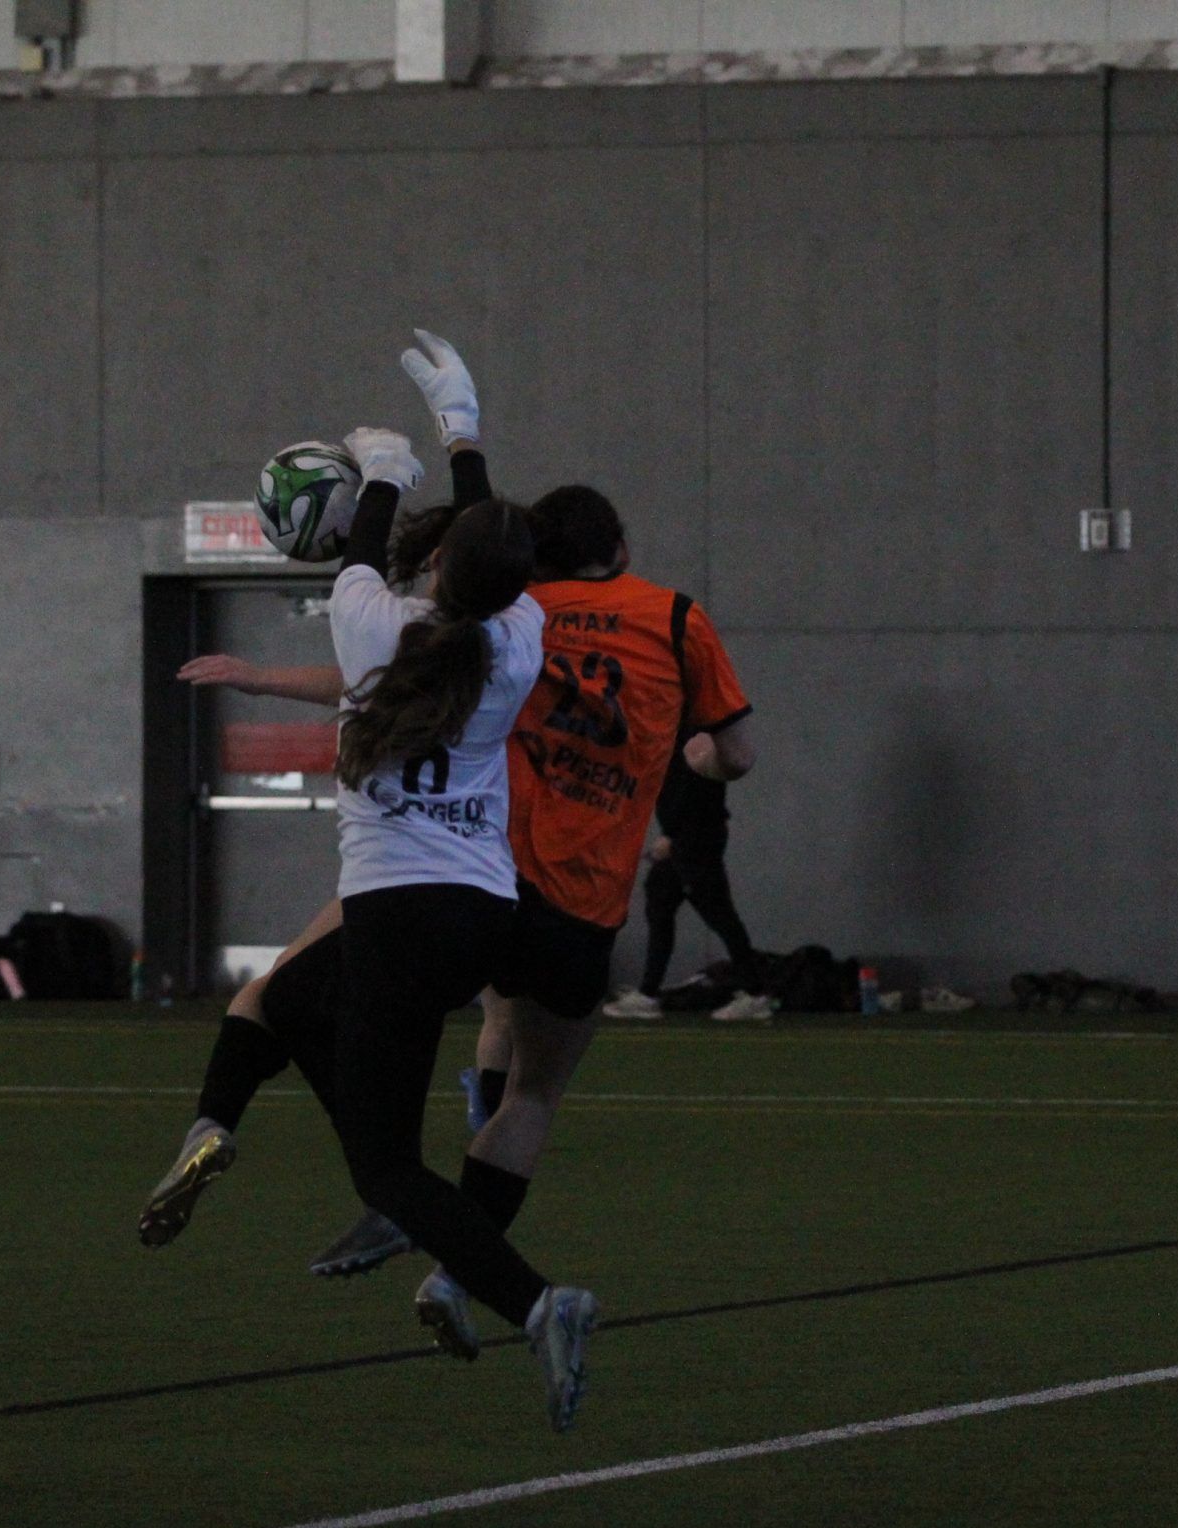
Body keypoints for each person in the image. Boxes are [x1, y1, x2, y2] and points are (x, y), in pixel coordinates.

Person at [149, 334, 753, 1371]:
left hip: (409, 905)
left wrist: (384, 471)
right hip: (507, 911)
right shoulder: (519, 643)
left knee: (347, 1105)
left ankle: (498, 1276)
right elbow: (476, 560)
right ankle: (433, 1247)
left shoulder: (381, 632)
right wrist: (450, 431)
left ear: (435, 569)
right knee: (500, 1080)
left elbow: (368, 569)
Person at [602, 724, 768, 1020]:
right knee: (660, 905)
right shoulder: (673, 735)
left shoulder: (694, 735)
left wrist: (674, 836)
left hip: (696, 840)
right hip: (685, 838)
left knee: (719, 915)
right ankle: (648, 994)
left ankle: (755, 994)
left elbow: (698, 791)